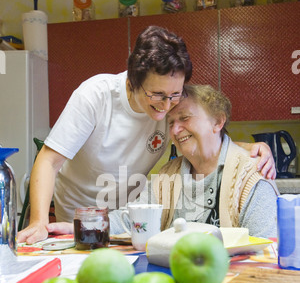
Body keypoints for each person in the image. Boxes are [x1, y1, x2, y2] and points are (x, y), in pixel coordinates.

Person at [17, 26, 276, 244]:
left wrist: (248, 148)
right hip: (84, 215)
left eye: (174, 95)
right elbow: (49, 160)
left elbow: (202, 133)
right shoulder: (95, 96)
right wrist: (39, 222)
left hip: (132, 218)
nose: (166, 106)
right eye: (158, 96)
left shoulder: (170, 110)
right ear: (132, 81)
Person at [108, 84, 279, 238]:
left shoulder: (252, 176)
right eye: (171, 122)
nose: (175, 130)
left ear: (218, 121)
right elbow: (132, 217)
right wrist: (93, 224)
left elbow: (266, 253)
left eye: (184, 118)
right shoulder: (168, 176)